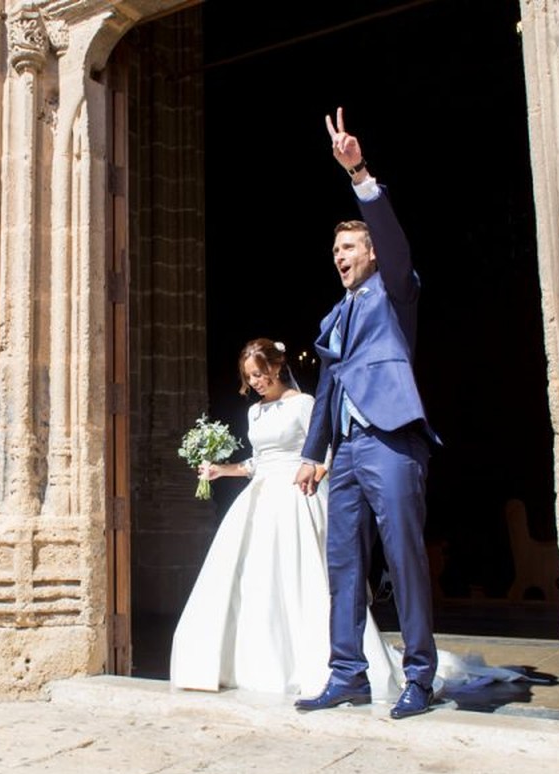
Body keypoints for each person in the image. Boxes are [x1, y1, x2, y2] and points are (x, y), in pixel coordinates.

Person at [294, 108, 440, 719]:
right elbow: (328, 391)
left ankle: (420, 678)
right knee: (344, 563)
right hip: (346, 452)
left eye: (350, 246)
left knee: (403, 557)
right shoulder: (333, 317)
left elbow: (395, 236)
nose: (340, 255)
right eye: (335, 248)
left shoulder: (396, 288)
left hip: (392, 439)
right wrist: (312, 453)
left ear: (374, 254)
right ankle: (346, 673)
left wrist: (358, 173)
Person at [170, 338, 404, 698]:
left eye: (261, 374)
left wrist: (315, 473)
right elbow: (259, 462)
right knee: (255, 580)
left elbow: (326, 449)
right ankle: (255, 662)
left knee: (304, 577)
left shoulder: (303, 404)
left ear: (277, 367)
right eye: (250, 377)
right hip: (262, 497)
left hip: (298, 496)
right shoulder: (254, 412)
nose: (257, 382)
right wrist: (221, 470)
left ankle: (331, 664)